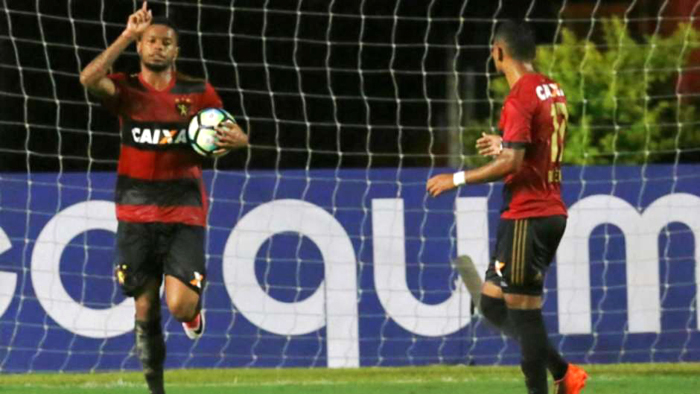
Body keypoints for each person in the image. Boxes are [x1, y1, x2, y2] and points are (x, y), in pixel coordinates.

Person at [79, 2, 248, 393]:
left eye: (166, 42)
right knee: (144, 305)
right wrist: (125, 34)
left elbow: (230, 131)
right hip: (135, 210)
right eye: (151, 40)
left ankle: (192, 316)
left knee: (179, 306)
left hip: (184, 209)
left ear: (176, 51)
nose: (158, 47)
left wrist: (241, 140)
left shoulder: (197, 91)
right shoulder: (125, 89)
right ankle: (156, 389)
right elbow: (88, 78)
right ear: (141, 47)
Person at [427, 21, 587, 394]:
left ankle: (553, 385)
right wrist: (506, 143)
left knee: (523, 311)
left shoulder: (519, 97)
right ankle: (564, 370)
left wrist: (457, 179)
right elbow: (535, 148)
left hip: (529, 215)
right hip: (538, 211)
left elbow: (513, 165)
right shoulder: (551, 88)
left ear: (499, 52)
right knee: (493, 304)